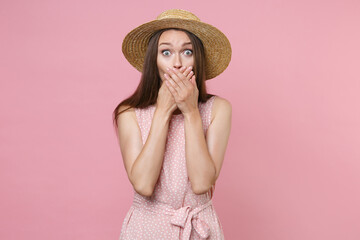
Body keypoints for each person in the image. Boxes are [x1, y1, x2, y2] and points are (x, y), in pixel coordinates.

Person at [113, 9, 232, 240]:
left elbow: (201, 183)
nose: (176, 63)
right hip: (146, 229)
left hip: (199, 229)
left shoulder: (219, 109)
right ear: (153, 60)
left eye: (187, 52)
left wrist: (191, 112)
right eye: (166, 52)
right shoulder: (128, 113)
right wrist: (163, 111)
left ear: (198, 59)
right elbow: (144, 184)